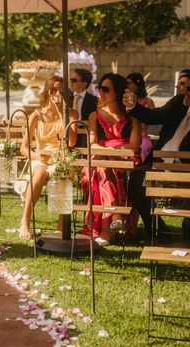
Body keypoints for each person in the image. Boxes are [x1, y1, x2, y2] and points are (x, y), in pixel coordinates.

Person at [124, 69, 190, 238]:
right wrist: (133, 105)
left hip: (186, 168)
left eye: (187, 87)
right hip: (160, 160)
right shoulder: (179, 102)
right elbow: (154, 116)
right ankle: (156, 229)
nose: (183, 90)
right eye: (183, 86)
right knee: (137, 180)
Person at [82, 73, 141, 245]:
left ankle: (107, 229)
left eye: (106, 89)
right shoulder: (95, 116)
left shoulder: (132, 116)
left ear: (118, 92)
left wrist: (112, 152)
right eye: (100, 88)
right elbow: (92, 144)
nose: (101, 92)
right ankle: (114, 217)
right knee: (102, 167)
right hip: (101, 158)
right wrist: (108, 152)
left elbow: (134, 145)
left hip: (125, 158)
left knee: (105, 167)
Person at [19, 75, 76, 240]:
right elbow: (24, 148)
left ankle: (61, 225)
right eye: (54, 89)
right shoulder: (37, 115)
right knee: (39, 174)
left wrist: (61, 112)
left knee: (66, 174)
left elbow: (71, 142)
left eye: (61, 90)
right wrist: (38, 155)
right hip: (41, 157)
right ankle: (25, 222)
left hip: (61, 157)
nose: (57, 94)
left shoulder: (71, 114)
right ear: (48, 91)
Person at [126, 72, 155, 162]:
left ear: (137, 85)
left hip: (144, 135)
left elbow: (153, 121)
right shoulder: (124, 101)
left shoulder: (148, 101)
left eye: (129, 83)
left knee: (145, 145)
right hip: (127, 135)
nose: (127, 86)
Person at [68, 67, 98, 147]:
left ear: (84, 84)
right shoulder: (65, 98)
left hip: (86, 136)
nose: (71, 82)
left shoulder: (94, 101)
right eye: (71, 80)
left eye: (74, 80)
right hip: (68, 134)